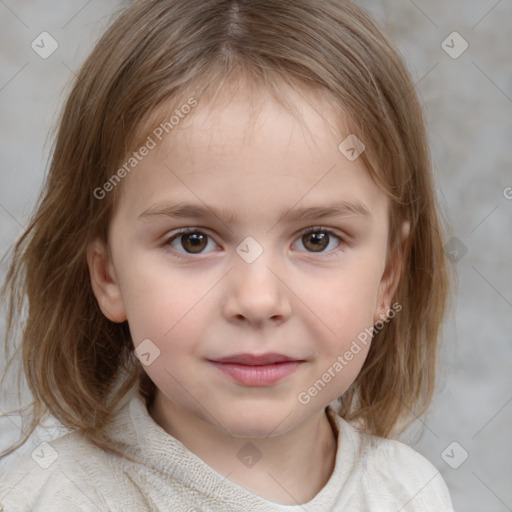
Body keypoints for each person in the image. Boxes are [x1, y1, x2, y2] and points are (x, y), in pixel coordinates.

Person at [0, 0, 456, 510]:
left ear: (389, 275)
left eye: (317, 239)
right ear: (108, 274)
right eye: (194, 240)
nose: (258, 301)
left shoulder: (408, 491)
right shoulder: (50, 498)